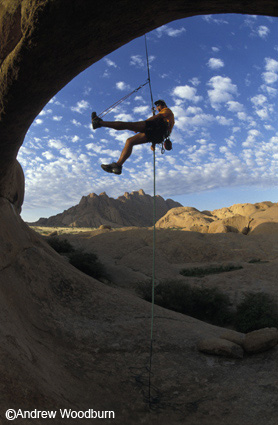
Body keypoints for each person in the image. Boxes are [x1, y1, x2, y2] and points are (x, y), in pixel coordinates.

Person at [91, 99, 175, 175]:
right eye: (156, 105)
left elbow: (156, 117)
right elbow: (158, 132)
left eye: (159, 105)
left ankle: (99, 123)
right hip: (157, 133)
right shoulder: (165, 117)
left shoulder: (167, 110)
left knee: (129, 125)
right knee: (130, 141)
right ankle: (118, 165)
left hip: (156, 129)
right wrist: (153, 144)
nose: (157, 107)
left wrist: (141, 125)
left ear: (164, 105)